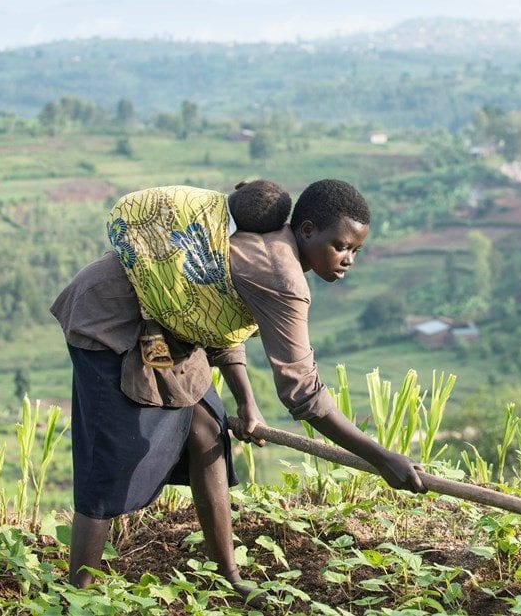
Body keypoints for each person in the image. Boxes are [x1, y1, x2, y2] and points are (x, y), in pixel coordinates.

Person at [50, 178, 425, 600]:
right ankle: (76, 594)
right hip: (110, 318)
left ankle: (227, 575)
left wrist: (247, 403)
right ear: (306, 231)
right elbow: (303, 393)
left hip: (168, 328)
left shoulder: (267, 241)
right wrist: (381, 458)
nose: (348, 259)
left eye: (356, 250)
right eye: (340, 246)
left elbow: (220, 314)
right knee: (112, 458)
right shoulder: (283, 278)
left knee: (208, 431)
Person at [134, 179, 292, 369]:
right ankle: (151, 326)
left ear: (241, 186)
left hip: (133, 207)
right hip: (146, 244)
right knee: (160, 279)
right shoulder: (219, 239)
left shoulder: (197, 196)